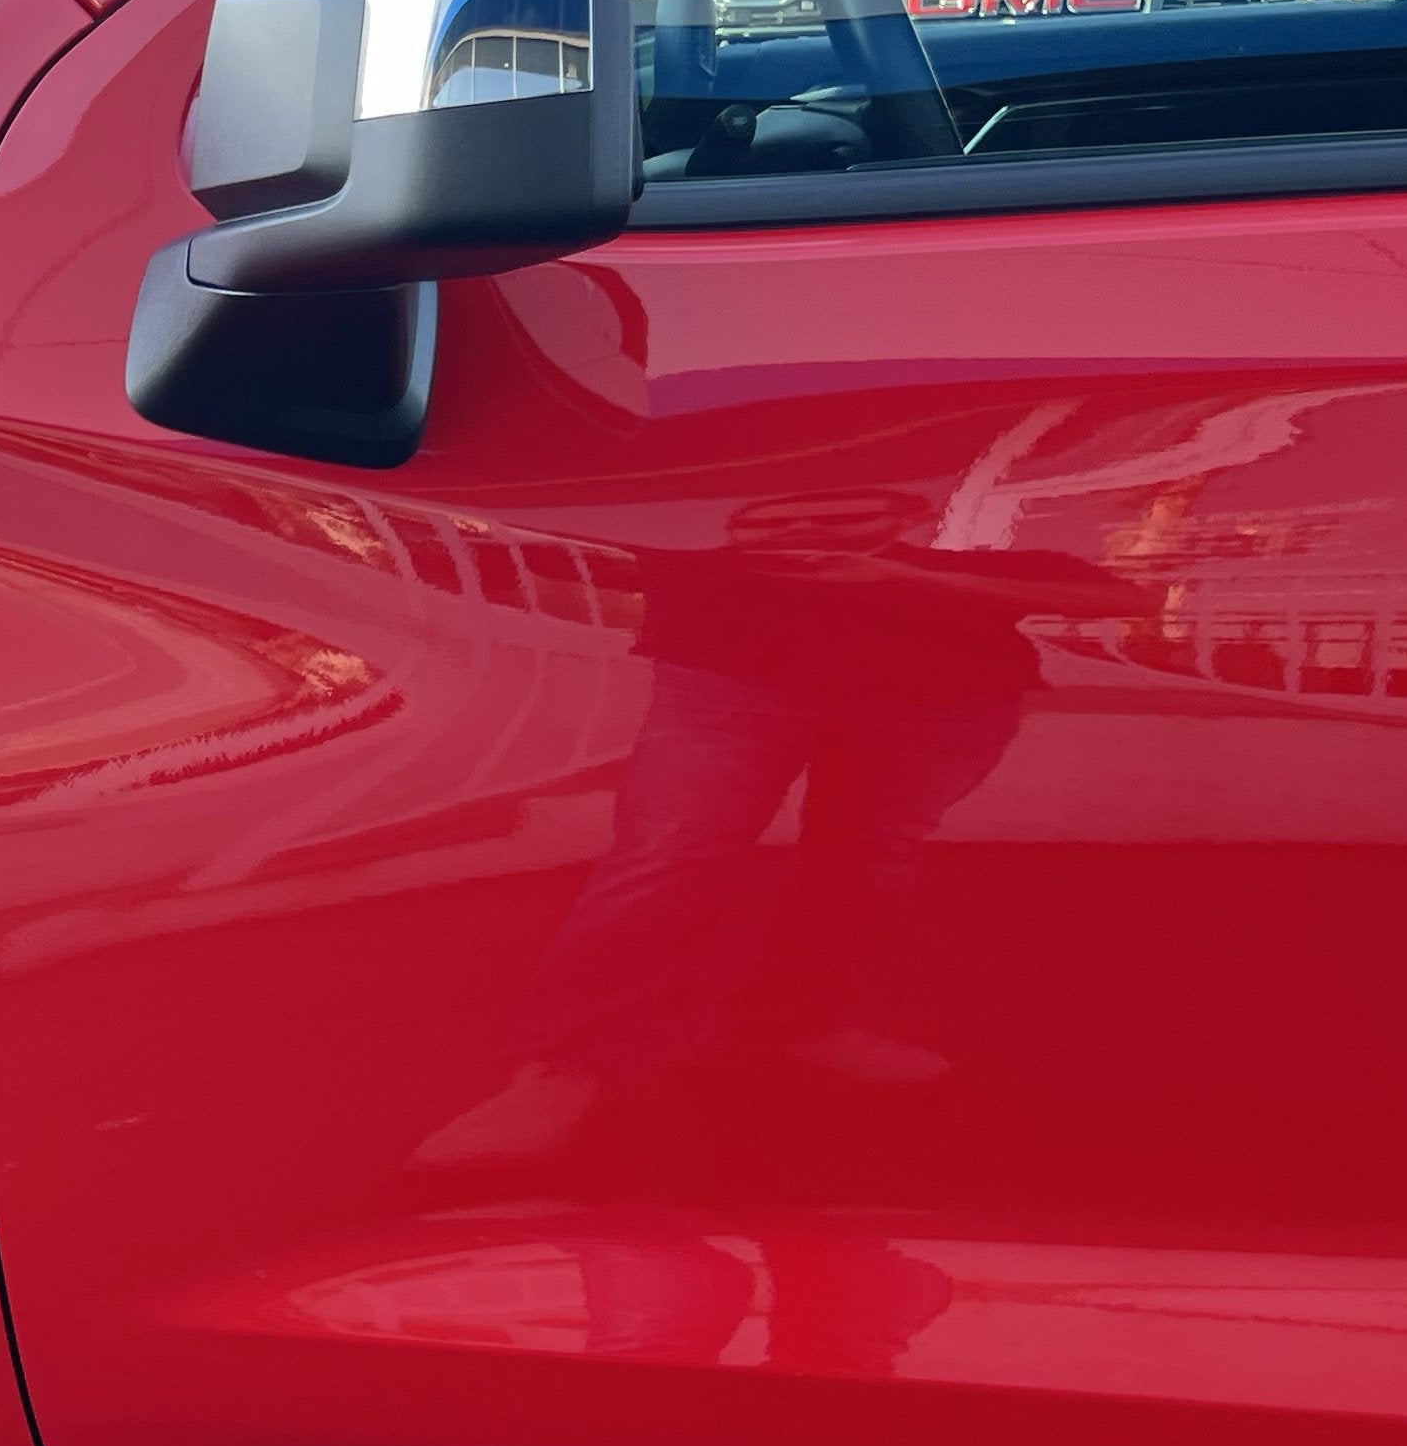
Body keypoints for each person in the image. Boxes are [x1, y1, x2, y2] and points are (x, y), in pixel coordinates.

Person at [413, 485, 1145, 1172]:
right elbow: (559, 530)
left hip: (944, 684)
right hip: (734, 666)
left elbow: (1112, 587)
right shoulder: (720, 414)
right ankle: (568, 1066)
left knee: (866, 856)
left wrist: (909, 577)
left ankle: (798, 1023)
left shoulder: (974, 443)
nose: (803, 534)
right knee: (669, 854)